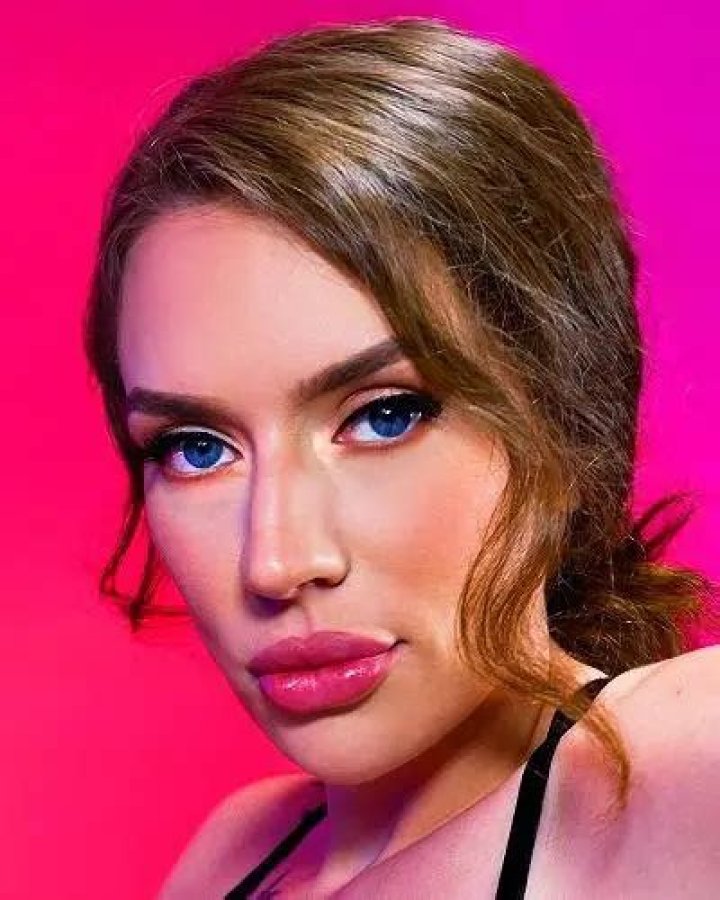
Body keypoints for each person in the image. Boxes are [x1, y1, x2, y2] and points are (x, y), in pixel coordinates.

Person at [83, 16, 719, 899]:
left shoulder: (678, 770)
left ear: (565, 412)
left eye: (384, 416)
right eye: (196, 449)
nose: (277, 562)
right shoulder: (232, 856)